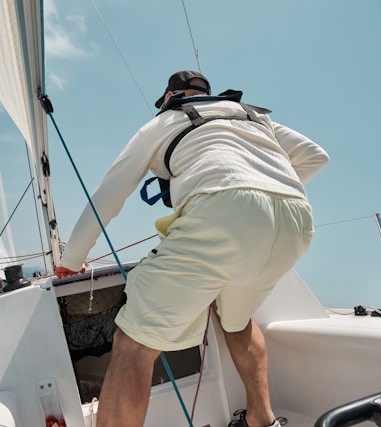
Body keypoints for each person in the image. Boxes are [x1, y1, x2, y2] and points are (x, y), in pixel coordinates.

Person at [55, 70, 329, 427]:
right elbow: (316, 157)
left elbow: (109, 195)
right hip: (296, 222)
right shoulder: (252, 115)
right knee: (237, 322)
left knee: (134, 344)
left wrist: (71, 260)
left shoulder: (164, 121)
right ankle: (263, 418)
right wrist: (262, 196)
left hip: (222, 215)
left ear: (171, 95)